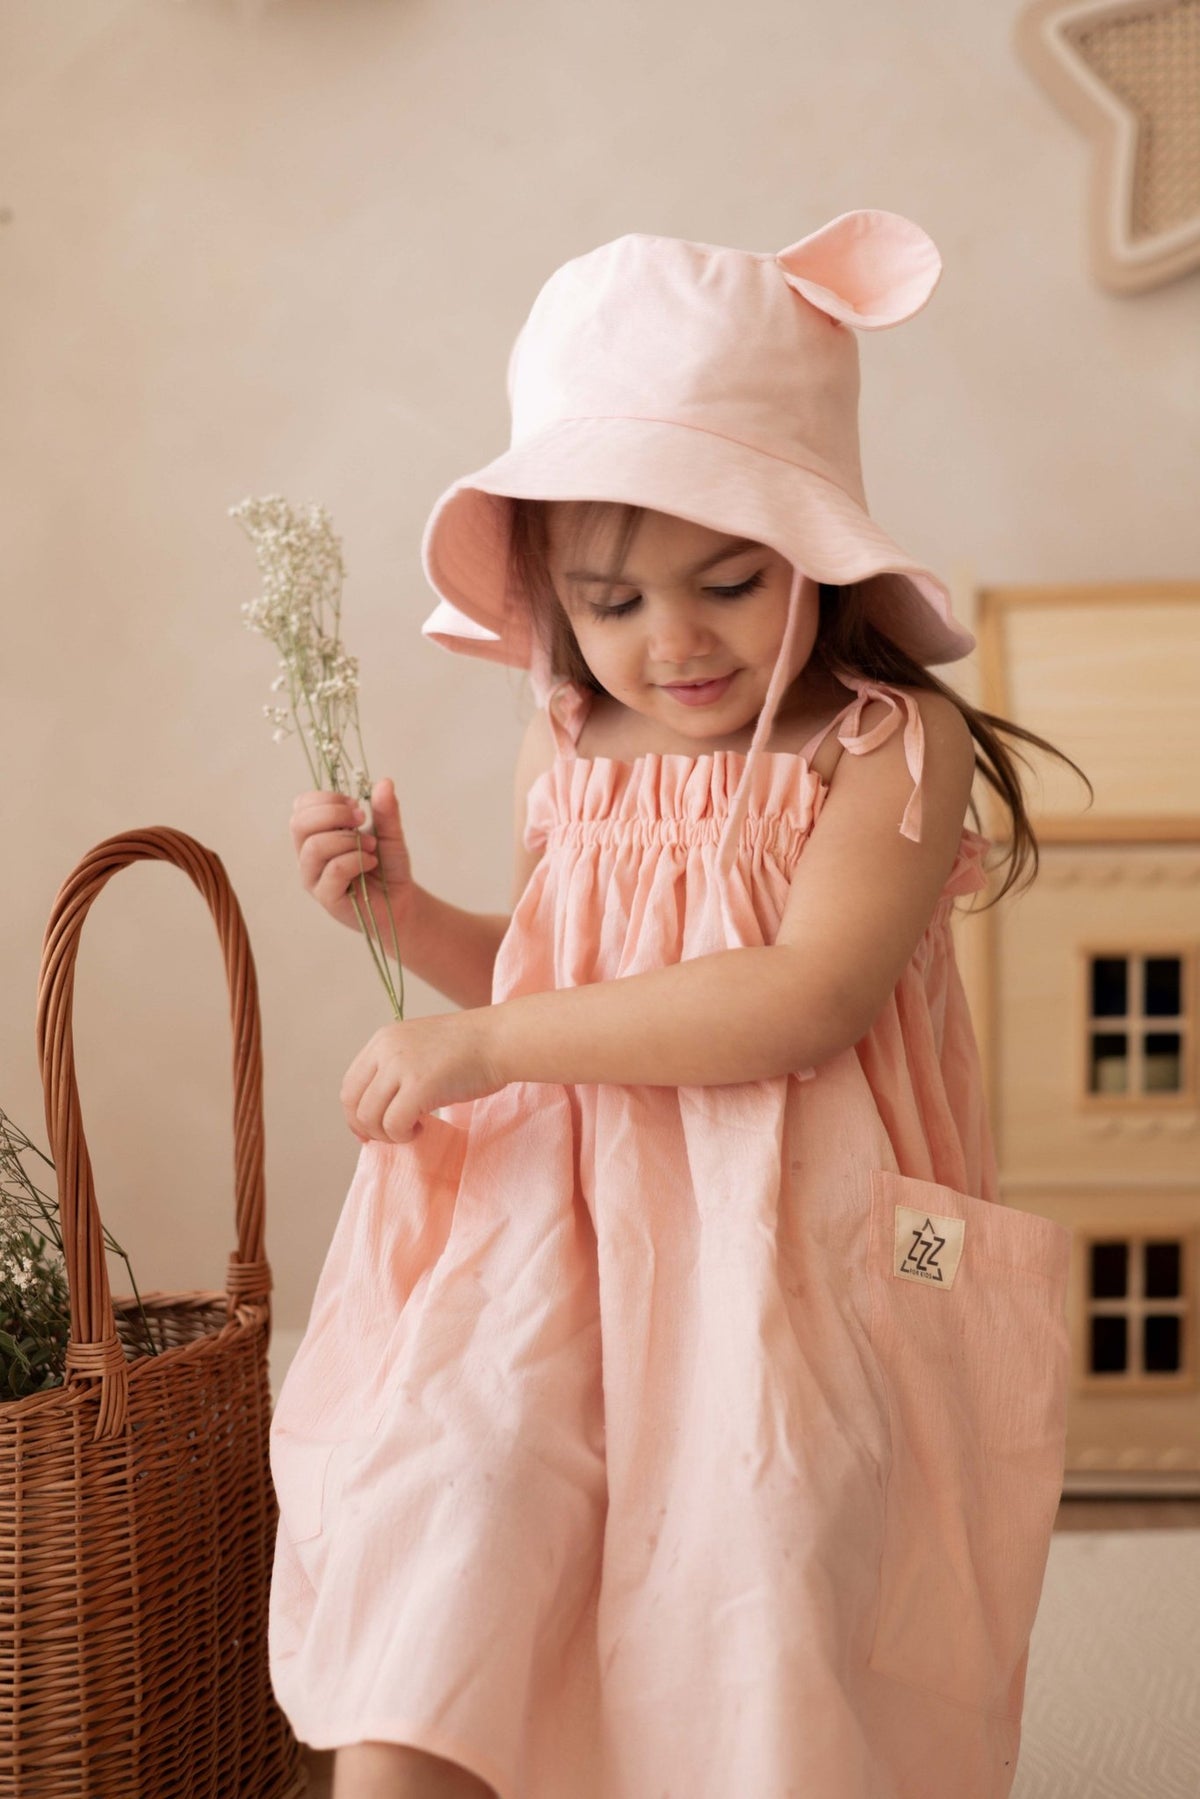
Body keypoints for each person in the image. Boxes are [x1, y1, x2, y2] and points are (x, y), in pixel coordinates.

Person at [267, 211, 1091, 1799]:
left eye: (725, 581)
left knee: (753, 1574)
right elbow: (563, 975)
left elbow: (797, 999)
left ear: (816, 551)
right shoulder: (569, 741)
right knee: (459, 1514)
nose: (673, 642)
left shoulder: (880, 746)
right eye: (611, 601)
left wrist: (487, 1043)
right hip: (557, 1238)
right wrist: (409, 918)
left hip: (790, 1249)